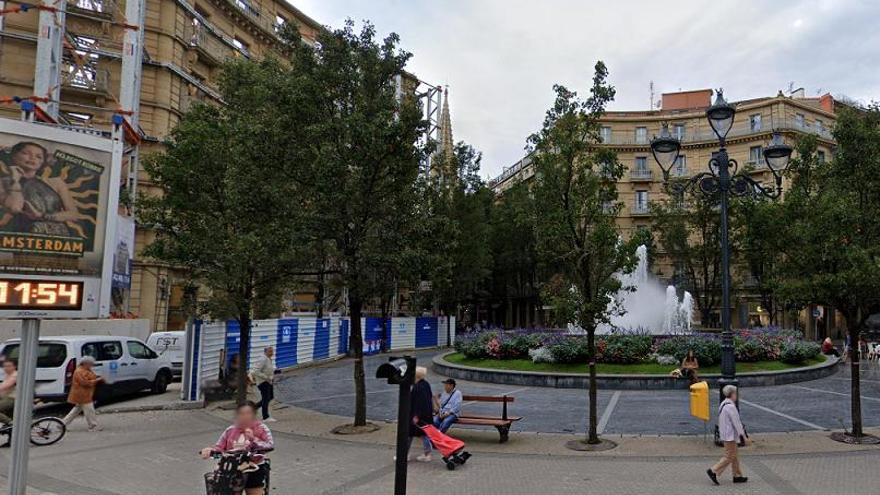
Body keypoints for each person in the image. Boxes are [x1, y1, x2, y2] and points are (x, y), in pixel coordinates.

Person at [0, 141, 79, 236]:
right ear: (14, 156)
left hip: (60, 237)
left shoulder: (56, 182)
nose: (32, 158)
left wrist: (42, 216)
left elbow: (74, 214)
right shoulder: (3, 182)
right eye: (26, 153)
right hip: (25, 237)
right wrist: (15, 180)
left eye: (38, 157)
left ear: (42, 162)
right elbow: (15, 207)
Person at [200, 401, 274, 495]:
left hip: (255, 468)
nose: (245, 416)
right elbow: (219, 448)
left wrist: (254, 439)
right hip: (232, 470)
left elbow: (270, 445)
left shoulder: (261, 428)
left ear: (254, 415)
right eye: (242, 413)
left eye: (248, 413)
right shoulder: (230, 430)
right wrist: (209, 451)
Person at [707, 385, 750, 486]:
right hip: (729, 436)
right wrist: (744, 436)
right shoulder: (730, 406)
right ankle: (713, 470)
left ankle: (737, 475)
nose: (737, 396)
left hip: (726, 434)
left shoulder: (723, 404)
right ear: (732, 394)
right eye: (736, 393)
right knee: (729, 456)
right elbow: (737, 423)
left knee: (734, 455)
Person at [62, 356, 104, 431]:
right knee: (89, 410)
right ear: (85, 363)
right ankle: (93, 426)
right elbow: (85, 383)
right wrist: (97, 380)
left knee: (76, 410)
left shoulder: (85, 370)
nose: (92, 365)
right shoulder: (79, 371)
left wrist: (97, 378)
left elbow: (90, 378)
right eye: (91, 364)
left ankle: (62, 424)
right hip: (82, 394)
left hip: (84, 393)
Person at [408, 366, 434, 462]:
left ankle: (404, 454)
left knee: (409, 433)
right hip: (426, 415)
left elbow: (420, 402)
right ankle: (427, 454)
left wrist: (416, 416)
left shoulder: (418, 387)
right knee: (424, 434)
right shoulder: (426, 384)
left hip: (418, 415)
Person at [249, 347, 276, 422]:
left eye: (272, 351)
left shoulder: (268, 359)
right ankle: (265, 417)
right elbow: (256, 370)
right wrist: (266, 377)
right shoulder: (263, 359)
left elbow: (268, 369)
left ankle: (253, 408)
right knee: (265, 398)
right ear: (265, 352)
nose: (272, 353)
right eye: (270, 351)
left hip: (268, 381)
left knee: (270, 397)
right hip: (263, 382)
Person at [0, 359, 16, 425]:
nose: (6, 368)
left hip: (12, 399)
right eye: (5, 366)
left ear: (14, 366)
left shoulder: (15, 375)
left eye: (9, 366)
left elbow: (4, 386)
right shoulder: (8, 375)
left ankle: (10, 423)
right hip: (5, 398)